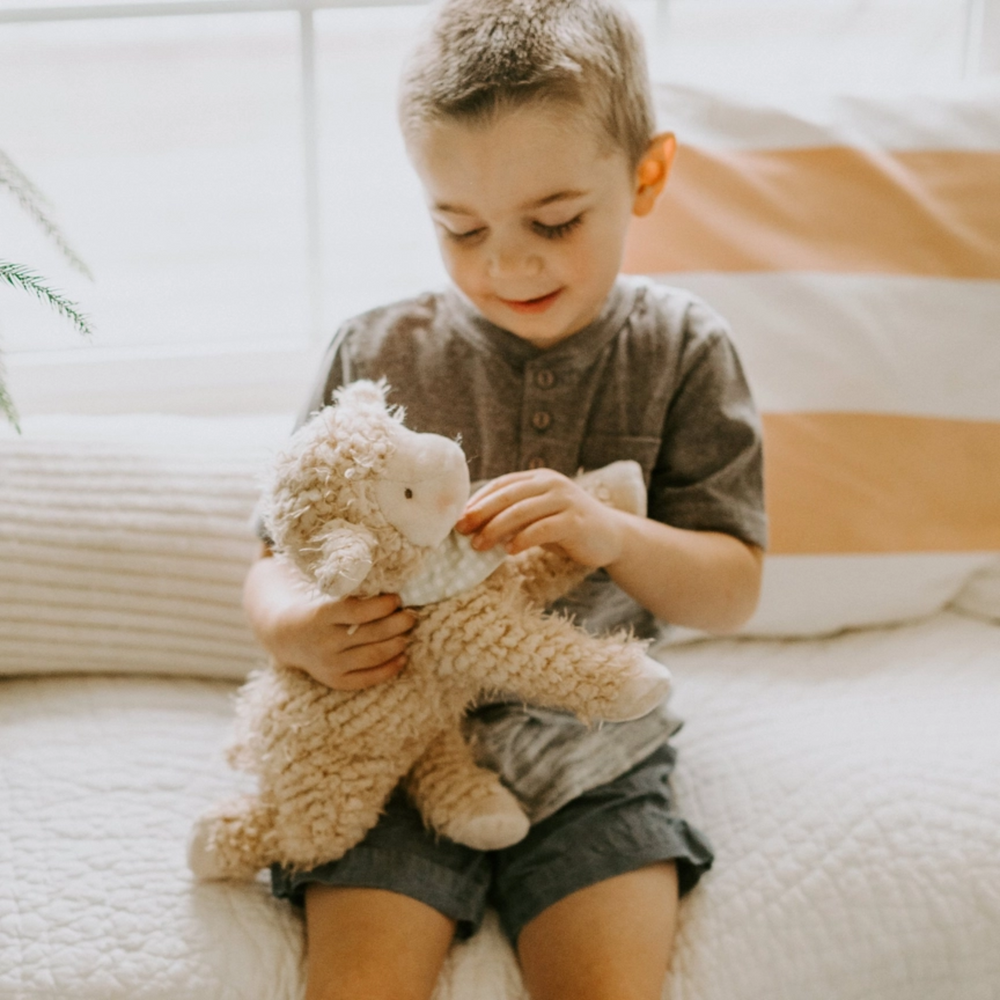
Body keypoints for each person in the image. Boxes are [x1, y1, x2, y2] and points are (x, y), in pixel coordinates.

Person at [243, 1, 767, 997]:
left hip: (593, 759)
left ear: (645, 176)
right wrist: (298, 628)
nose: (505, 263)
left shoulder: (682, 349)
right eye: (460, 226)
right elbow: (274, 556)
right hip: (388, 750)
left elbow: (731, 588)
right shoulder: (374, 352)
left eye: (554, 221)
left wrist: (612, 534)